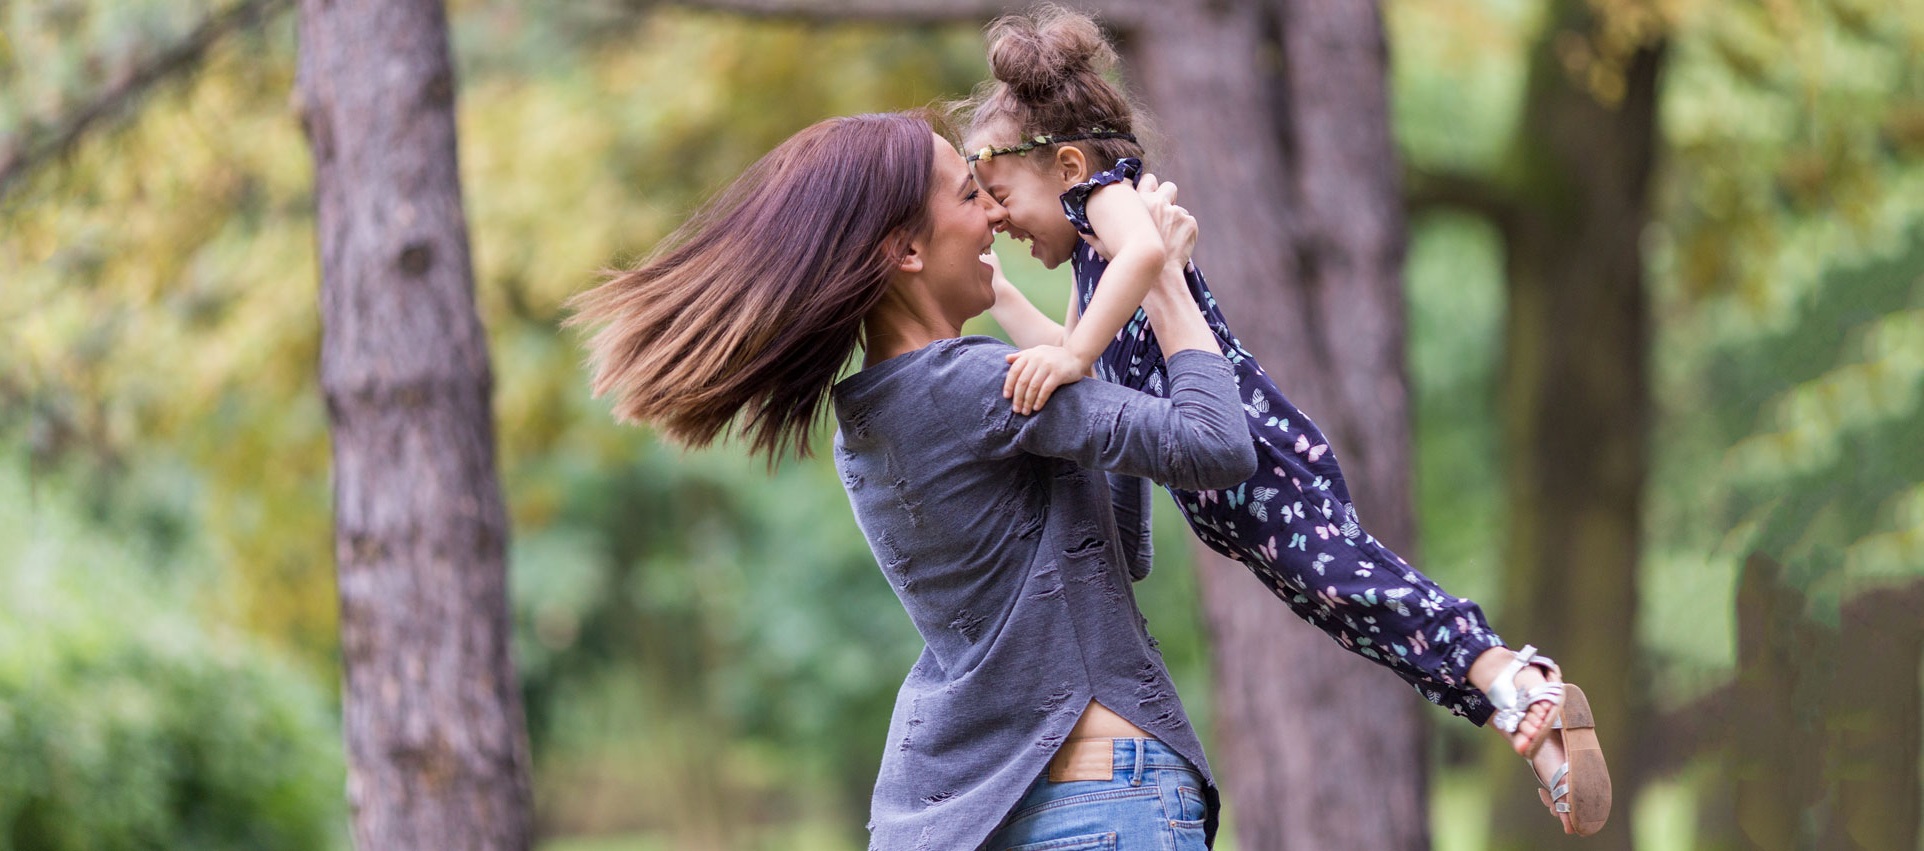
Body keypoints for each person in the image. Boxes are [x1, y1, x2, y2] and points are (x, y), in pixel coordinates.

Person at [960, 4, 1609, 835]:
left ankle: (1518, 674)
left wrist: (1076, 356)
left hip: (1261, 456)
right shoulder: (1092, 276)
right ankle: (1526, 724)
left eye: (1001, 193)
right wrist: (1007, 301)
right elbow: (1086, 360)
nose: (997, 216)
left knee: (1356, 584)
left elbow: (1146, 259)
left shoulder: (1104, 199)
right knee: (1356, 614)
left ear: (1068, 164)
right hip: (1236, 502)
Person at [567, 111, 1253, 850]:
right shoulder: (975, 385)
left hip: (977, 805)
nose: (992, 212)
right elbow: (1217, 445)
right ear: (904, 252)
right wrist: (1167, 287)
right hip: (1101, 798)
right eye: (967, 196)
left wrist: (1090, 306)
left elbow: (1112, 545)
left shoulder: (871, 418)